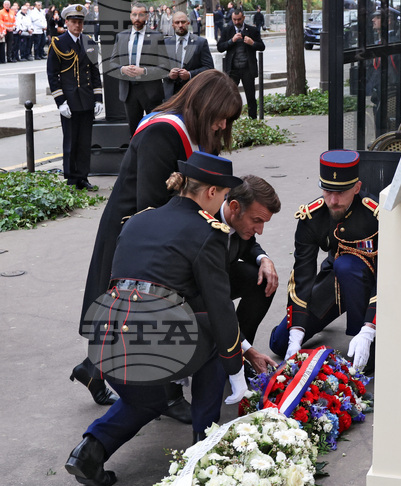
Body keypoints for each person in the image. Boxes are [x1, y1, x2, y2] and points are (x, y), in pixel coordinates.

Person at [67, 153, 250, 486]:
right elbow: (219, 307)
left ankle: (88, 453)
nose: (223, 203)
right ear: (211, 191)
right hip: (151, 339)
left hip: (105, 339)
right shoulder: (208, 232)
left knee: (147, 401)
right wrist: (235, 366)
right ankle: (204, 448)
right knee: (215, 336)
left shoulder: (139, 220)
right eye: (224, 195)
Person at [73, 69, 242, 413]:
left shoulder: (188, 127)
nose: (224, 125)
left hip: (162, 229)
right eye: (222, 117)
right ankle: (166, 394)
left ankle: (94, 370)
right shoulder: (162, 131)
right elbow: (151, 204)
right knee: (147, 308)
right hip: (138, 232)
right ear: (205, 105)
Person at [269, 150, 378, 374]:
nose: (333, 201)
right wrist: (296, 333)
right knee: (280, 344)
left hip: (370, 287)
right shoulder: (312, 217)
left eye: (341, 192)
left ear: (356, 188)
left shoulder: (375, 216)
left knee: (347, 265)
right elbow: (302, 274)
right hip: (337, 283)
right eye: (328, 191)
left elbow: (389, 274)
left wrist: (369, 327)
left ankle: (367, 341)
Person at [219, 174, 281, 347]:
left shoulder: (238, 223)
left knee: (263, 280)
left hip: (221, 277)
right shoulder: (205, 220)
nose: (260, 230)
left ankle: (239, 352)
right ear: (234, 207)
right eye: (256, 220)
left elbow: (248, 244)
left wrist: (264, 260)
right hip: (193, 293)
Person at [47, 3, 102, 191]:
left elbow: (94, 72)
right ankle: (71, 179)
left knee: (85, 142)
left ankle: (83, 177)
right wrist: (60, 102)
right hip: (69, 100)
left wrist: (98, 98)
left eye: (80, 22)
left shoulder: (89, 42)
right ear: (67, 22)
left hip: (86, 98)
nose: (77, 25)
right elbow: (53, 75)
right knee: (71, 141)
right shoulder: (58, 43)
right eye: (74, 21)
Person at [110, 3, 169, 134]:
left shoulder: (156, 36)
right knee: (134, 131)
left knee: (155, 131)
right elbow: (112, 64)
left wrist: (144, 71)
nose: (137, 18)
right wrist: (122, 69)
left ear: (147, 16)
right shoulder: (121, 36)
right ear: (130, 16)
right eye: (134, 14)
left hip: (151, 91)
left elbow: (165, 67)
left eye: (141, 15)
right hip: (129, 91)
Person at [218, 8, 264, 119]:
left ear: (243, 18)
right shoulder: (227, 30)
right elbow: (220, 47)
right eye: (234, 19)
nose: (236, 22)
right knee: (229, 96)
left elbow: (262, 46)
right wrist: (231, 41)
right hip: (233, 69)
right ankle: (229, 120)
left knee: (250, 96)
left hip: (247, 68)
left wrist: (252, 43)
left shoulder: (252, 30)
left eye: (239, 19)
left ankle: (252, 120)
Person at [163, 11, 213, 100]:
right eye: (177, 22)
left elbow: (209, 68)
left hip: (193, 93)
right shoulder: (165, 43)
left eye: (183, 22)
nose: (180, 25)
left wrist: (190, 74)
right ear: (172, 25)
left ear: (188, 23)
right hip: (171, 95)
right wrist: (168, 74)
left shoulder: (200, 42)